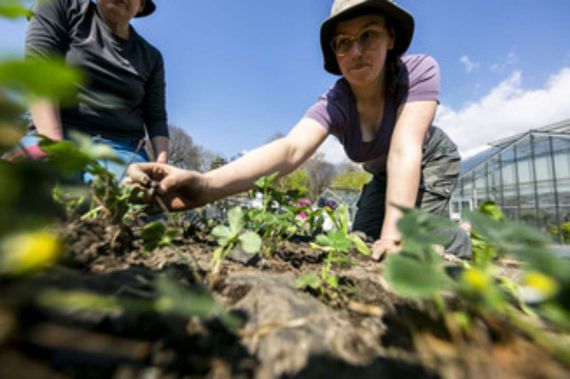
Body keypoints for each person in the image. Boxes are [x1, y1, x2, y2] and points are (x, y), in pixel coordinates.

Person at [127, 0, 471, 260]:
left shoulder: (418, 72)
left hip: (429, 159)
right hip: (384, 175)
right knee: (361, 243)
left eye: (368, 35)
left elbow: (404, 148)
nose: (356, 51)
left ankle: (460, 238)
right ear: (334, 53)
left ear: (391, 37)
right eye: (343, 42)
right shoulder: (337, 102)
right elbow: (290, 149)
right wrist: (204, 186)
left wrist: (395, 237)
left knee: (409, 244)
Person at [5, 0, 169, 180]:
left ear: (141, 6)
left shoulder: (151, 57)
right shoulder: (59, 6)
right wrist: (52, 145)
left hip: (121, 148)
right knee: (30, 185)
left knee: (135, 198)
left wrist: (161, 166)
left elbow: (156, 116)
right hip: (55, 130)